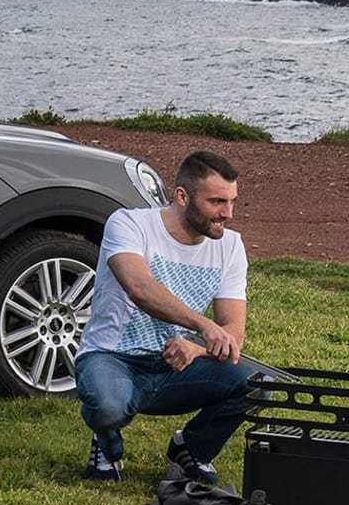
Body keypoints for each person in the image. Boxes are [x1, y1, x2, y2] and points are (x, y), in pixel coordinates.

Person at [74, 150, 256, 483]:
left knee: (255, 384)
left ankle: (191, 450)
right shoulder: (129, 224)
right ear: (182, 196)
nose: (228, 214)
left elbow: (234, 333)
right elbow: (139, 288)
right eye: (217, 202)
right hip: (112, 358)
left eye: (232, 202)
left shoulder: (230, 246)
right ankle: (106, 437)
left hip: (176, 366)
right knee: (108, 406)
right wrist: (202, 325)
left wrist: (197, 349)